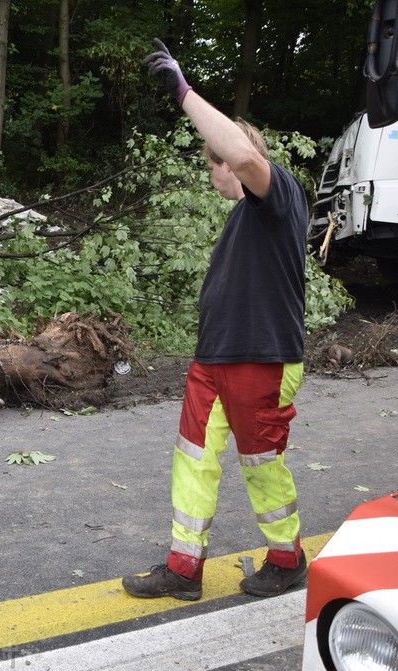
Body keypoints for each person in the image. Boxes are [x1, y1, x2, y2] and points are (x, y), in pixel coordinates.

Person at [122, 39, 309, 601]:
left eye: (216, 157)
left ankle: (287, 558)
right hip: (216, 360)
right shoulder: (243, 219)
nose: (214, 168)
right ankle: (184, 569)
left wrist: (182, 90)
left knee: (261, 465)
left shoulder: (279, 196)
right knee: (193, 461)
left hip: (262, 359)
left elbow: (246, 157)